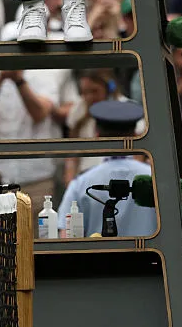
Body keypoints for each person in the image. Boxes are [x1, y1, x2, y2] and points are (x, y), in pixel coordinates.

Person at [58, 101, 156, 237]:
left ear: (97, 136)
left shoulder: (81, 183)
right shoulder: (155, 178)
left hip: (96, 259)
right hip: (152, 258)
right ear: (135, 136)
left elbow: (66, 237)